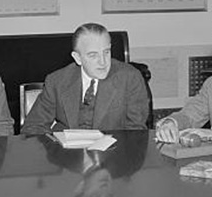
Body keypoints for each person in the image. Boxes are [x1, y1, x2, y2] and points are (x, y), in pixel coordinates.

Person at [20, 23, 149, 135]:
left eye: (106, 52)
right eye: (93, 55)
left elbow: (136, 133)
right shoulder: (57, 81)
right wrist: (55, 148)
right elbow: (33, 127)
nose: (103, 62)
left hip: (113, 156)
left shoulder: (130, 78)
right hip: (67, 157)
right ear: (77, 58)